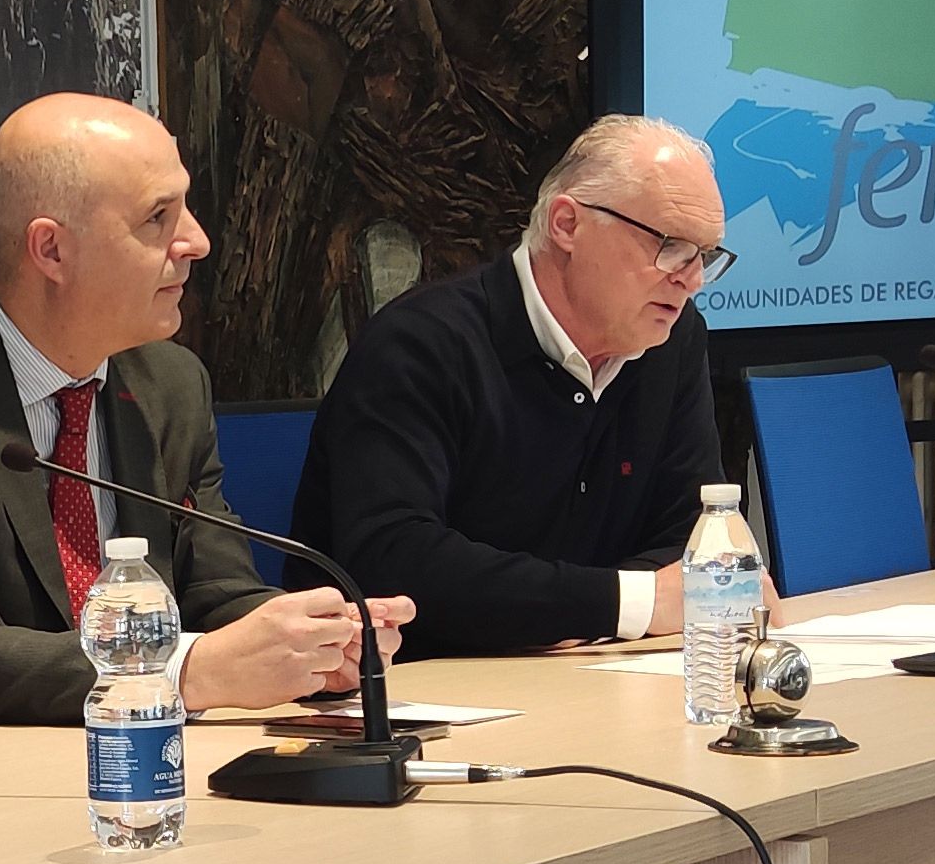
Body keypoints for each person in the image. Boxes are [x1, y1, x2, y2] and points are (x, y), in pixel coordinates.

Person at [0, 93, 408, 728]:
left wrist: (312, 645)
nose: (197, 241)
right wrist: (187, 671)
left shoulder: (170, 382)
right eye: (157, 218)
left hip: (153, 770)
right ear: (52, 251)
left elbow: (216, 591)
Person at [294, 113, 745, 658]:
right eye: (671, 245)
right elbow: (395, 559)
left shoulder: (670, 341)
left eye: (706, 256)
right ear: (567, 225)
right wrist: (628, 603)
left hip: (593, 674)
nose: (691, 279)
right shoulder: (422, 344)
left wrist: (588, 608)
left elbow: (693, 538)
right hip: (421, 692)